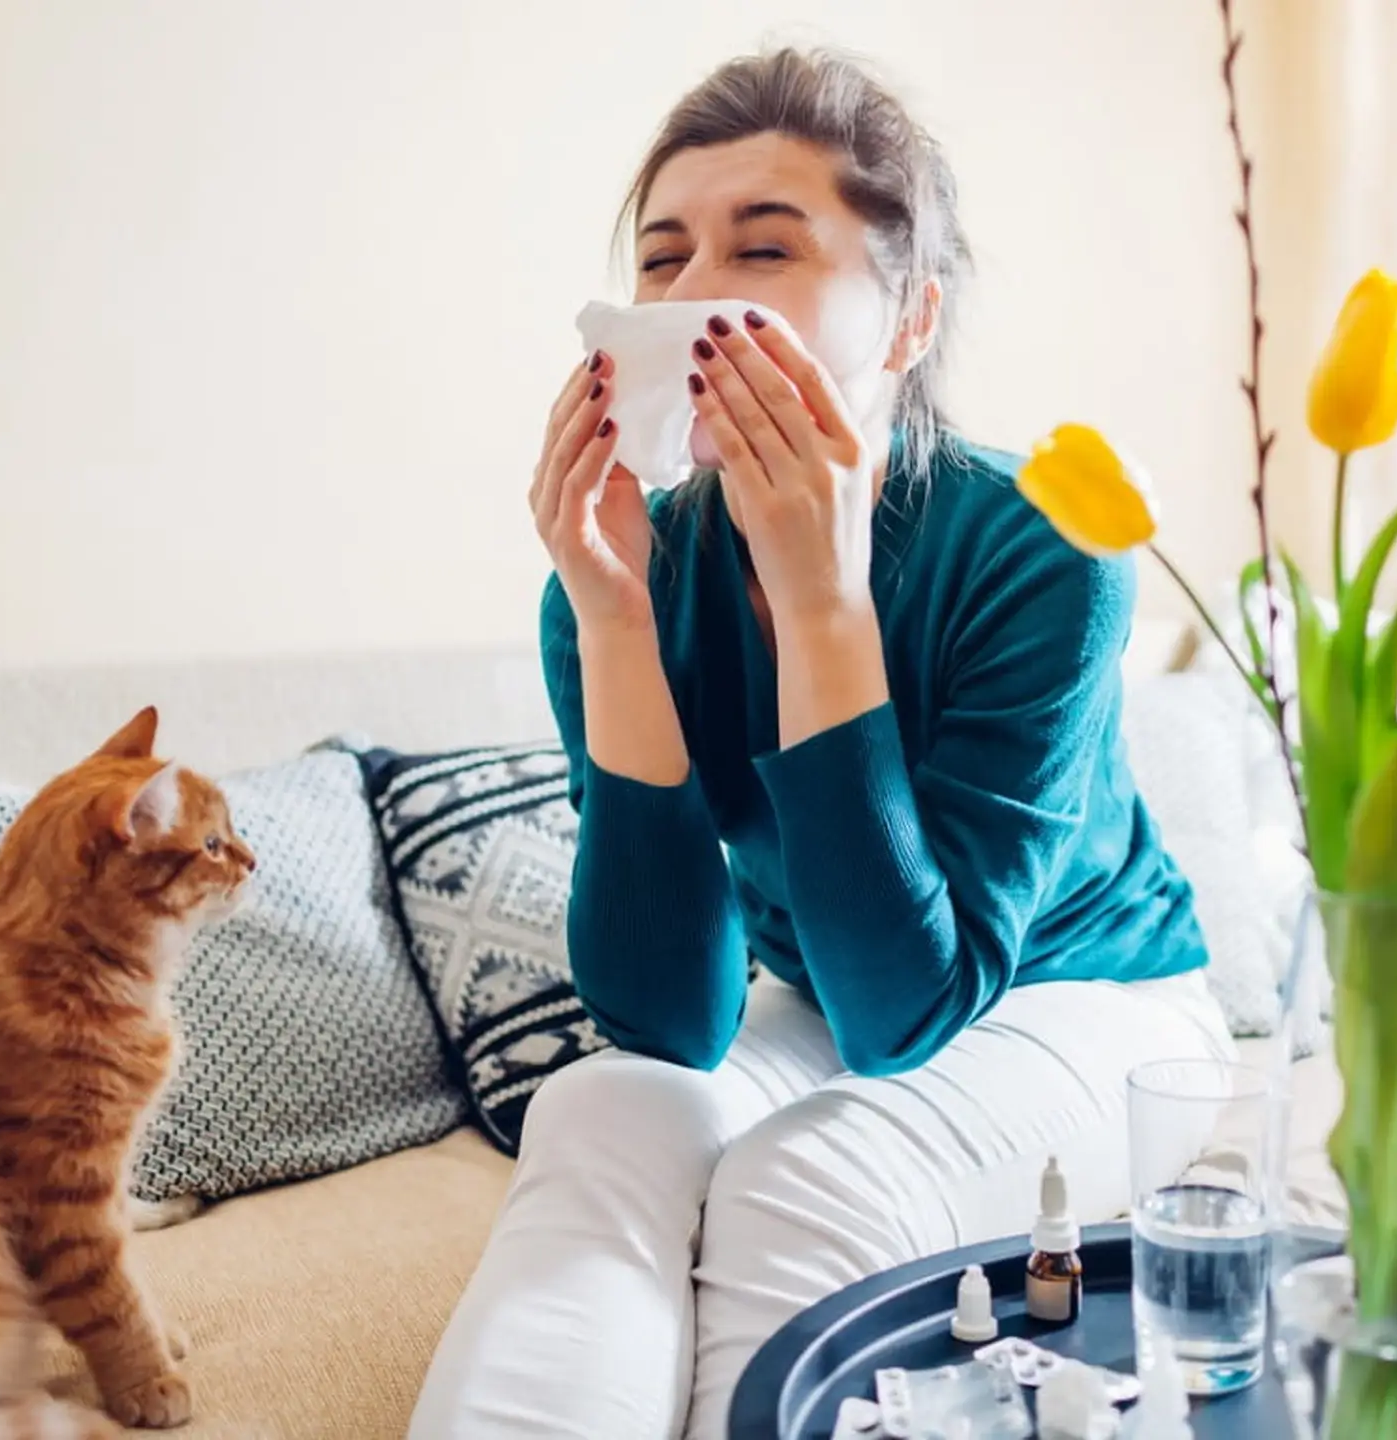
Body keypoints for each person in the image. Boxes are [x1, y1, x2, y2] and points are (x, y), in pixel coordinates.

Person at [409, 47, 1233, 1440]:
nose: (691, 298)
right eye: (661, 260)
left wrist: (821, 600)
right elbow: (668, 1019)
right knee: (603, 1114)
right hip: (842, 992)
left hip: (1090, 999)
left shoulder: (1044, 545)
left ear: (908, 320)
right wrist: (613, 626)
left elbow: (909, 1007)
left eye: (765, 248)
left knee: (809, 1178)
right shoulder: (621, 575)